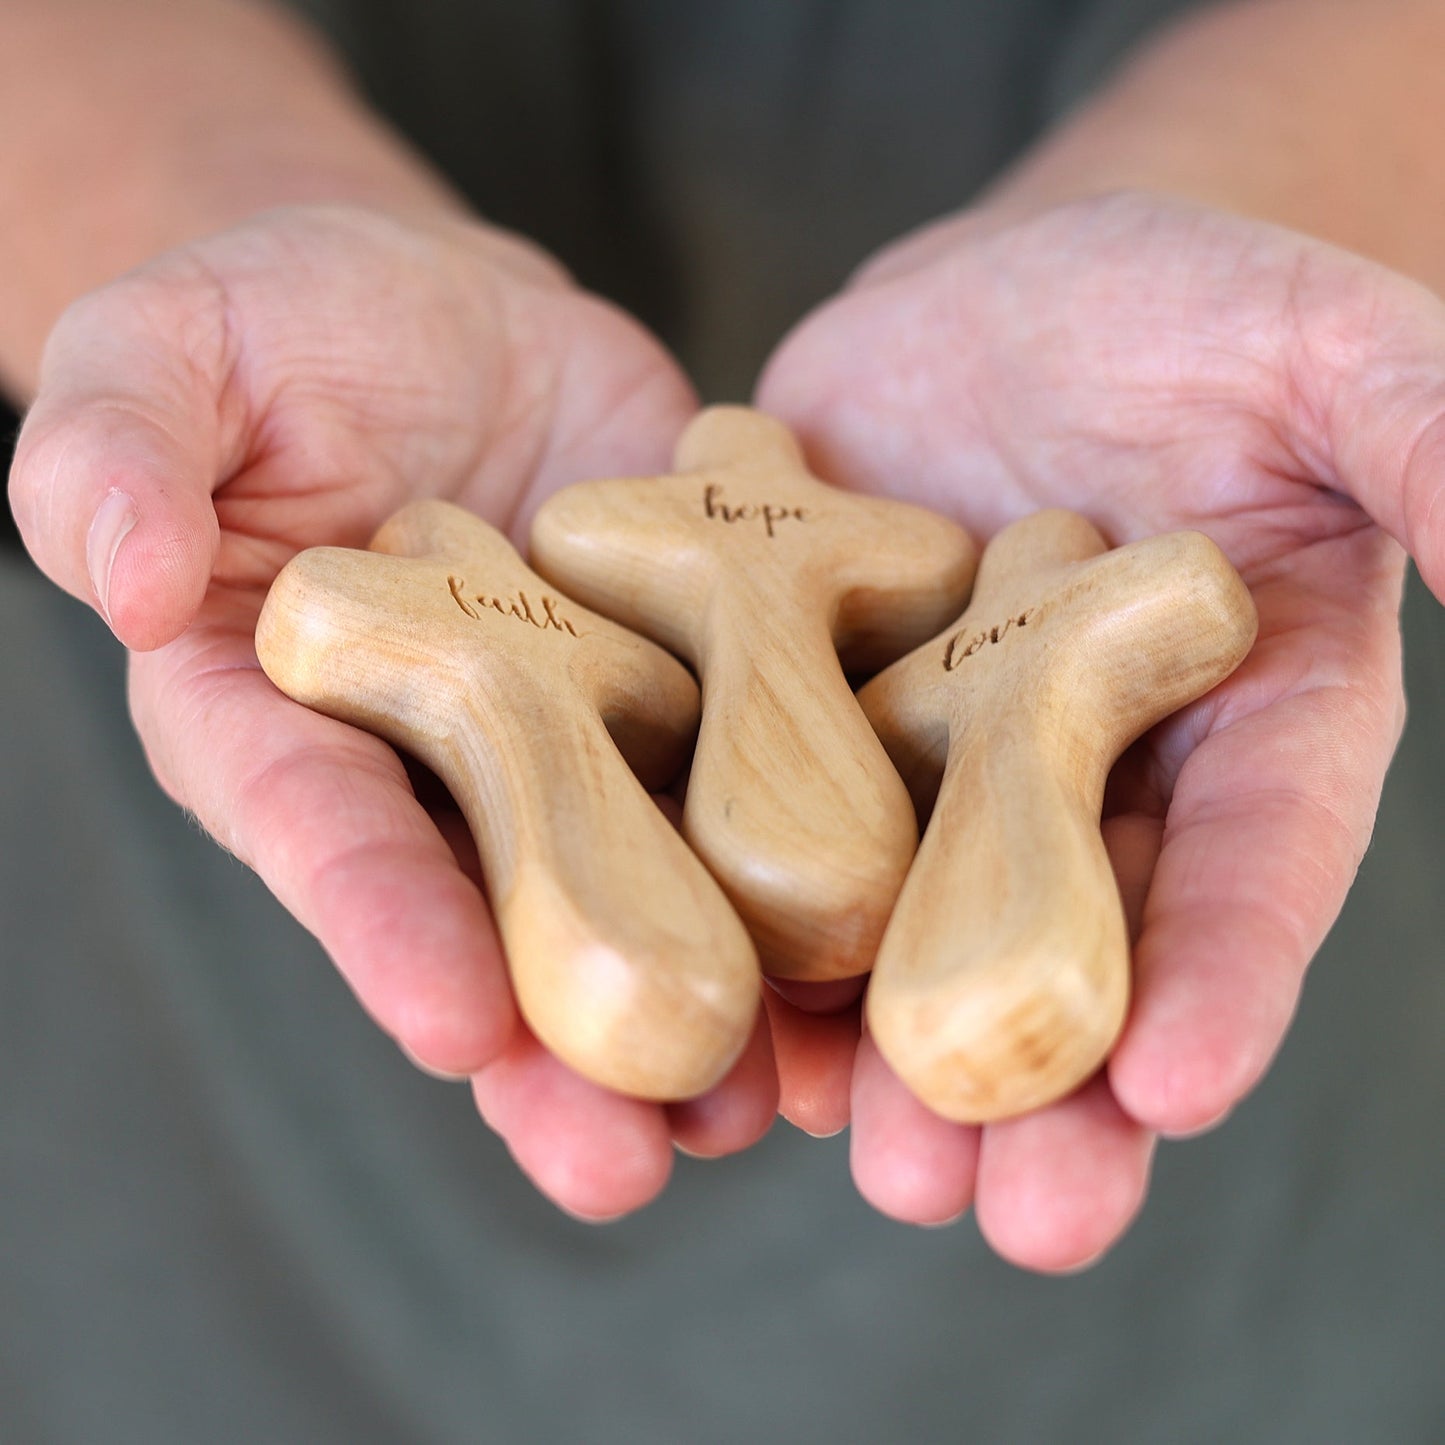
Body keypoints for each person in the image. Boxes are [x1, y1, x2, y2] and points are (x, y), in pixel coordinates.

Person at [2, 2, 1443, 1438]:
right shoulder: (580, 599)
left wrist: (1261, 187)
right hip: (211, 1132)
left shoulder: (934, 611)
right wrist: (196, 201)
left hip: (1250, 1242)